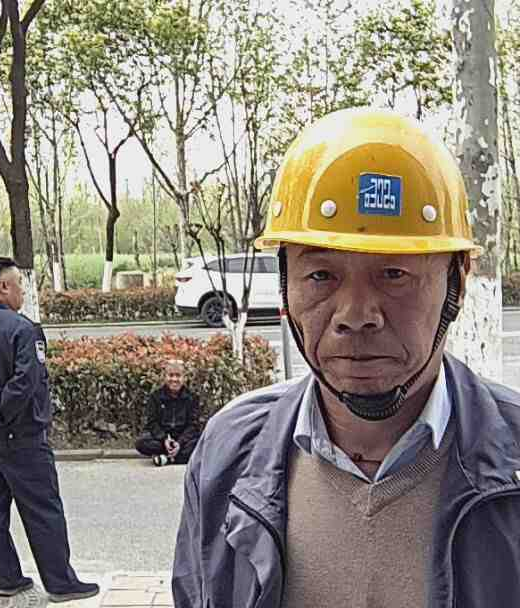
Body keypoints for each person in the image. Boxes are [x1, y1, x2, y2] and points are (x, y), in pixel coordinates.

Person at [172, 108, 520, 608]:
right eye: (321, 276)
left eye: (394, 274)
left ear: (456, 283)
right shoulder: (228, 453)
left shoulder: (512, 462)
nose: (356, 316)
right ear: (287, 286)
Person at [0, 257, 99, 603]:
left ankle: (8, 579)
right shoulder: (24, 330)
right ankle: (61, 583)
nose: (23, 292)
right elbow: (27, 380)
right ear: (3, 286)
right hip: (21, 438)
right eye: (20, 285)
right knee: (43, 510)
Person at [135, 359, 201, 466]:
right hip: (162, 439)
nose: (174, 379)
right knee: (141, 442)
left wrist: (180, 443)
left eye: (178, 376)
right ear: (165, 377)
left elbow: (194, 425)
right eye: (171, 375)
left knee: (200, 443)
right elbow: (152, 423)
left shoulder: (192, 397)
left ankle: (166, 458)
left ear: (184, 378)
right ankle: (177, 457)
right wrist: (164, 439)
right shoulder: (155, 396)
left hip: (183, 439)